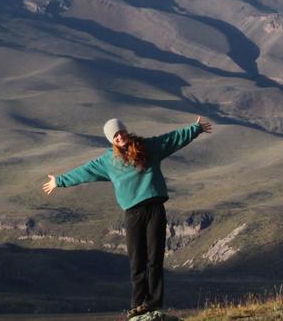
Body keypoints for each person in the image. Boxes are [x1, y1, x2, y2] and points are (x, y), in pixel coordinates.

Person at [42, 116, 212, 318]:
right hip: (133, 213)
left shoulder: (148, 147)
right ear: (111, 140)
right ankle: (137, 304)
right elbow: (84, 172)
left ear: (126, 131)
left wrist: (195, 129)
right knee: (137, 261)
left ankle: (153, 302)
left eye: (121, 132)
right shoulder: (107, 161)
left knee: (154, 259)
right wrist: (59, 181)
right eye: (115, 135)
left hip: (155, 209)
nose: (119, 136)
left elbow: (171, 139)